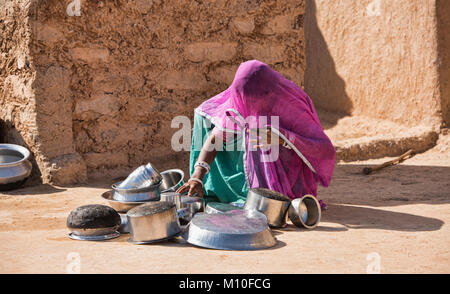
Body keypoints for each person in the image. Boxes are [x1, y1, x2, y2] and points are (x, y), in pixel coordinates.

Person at [176, 60, 335, 209]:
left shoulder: (293, 107)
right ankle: (236, 190)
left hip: (290, 174)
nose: (247, 105)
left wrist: (284, 139)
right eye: (243, 99)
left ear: (267, 93)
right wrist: (197, 177)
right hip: (254, 168)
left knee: (259, 135)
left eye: (252, 100)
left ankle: (271, 194)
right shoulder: (242, 101)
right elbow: (216, 138)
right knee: (217, 121)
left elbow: (324, 149)